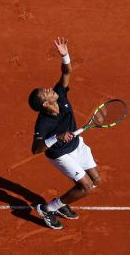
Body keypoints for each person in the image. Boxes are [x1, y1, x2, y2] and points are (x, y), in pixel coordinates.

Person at [28, 37, 101, 230]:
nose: (48, 89)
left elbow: (66, 71)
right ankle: (48, 208)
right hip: (60, 154)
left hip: (77, 145)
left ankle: (60, 205)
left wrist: (65, 55)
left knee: (95, 180)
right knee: (85, 188)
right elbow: (36, 149)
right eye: (45, 93)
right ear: (45, 104)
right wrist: (57, 138)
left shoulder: (60, 94)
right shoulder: (43, 122)